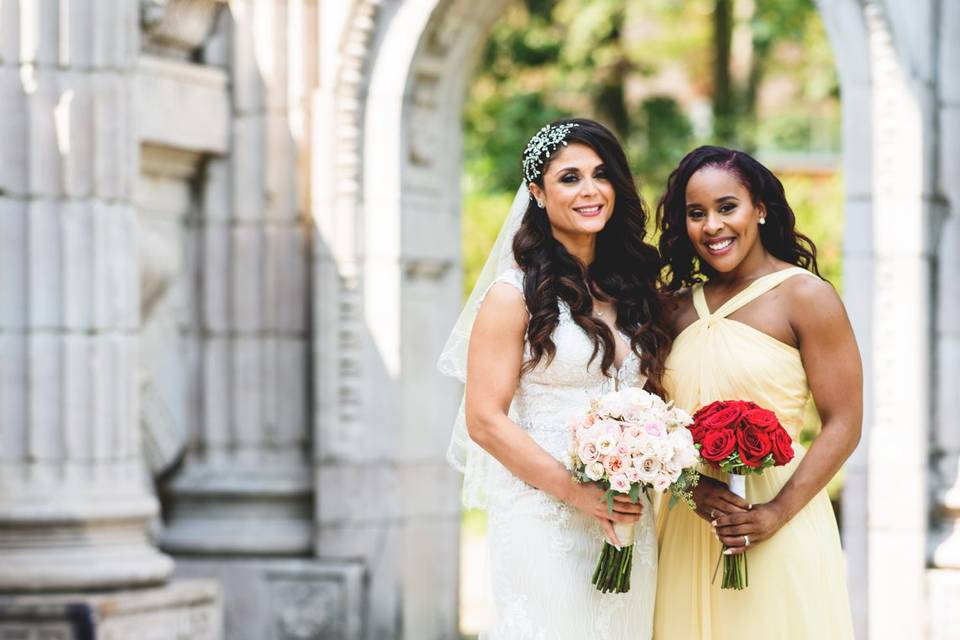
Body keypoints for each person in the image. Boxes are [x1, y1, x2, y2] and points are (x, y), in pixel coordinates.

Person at [438, 118, 671, 638]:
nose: (590, 190)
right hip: (544, 517)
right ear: (538, 193)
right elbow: (484, 420)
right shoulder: (513, 294)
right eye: (570, 178)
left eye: (601, 174)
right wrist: (578, 494)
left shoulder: (632, 288)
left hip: (629, 514)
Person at [653, 146, 858, 639]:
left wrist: (774, 515)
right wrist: (689, 487)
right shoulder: (673, 309)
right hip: (689, 522)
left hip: (777, 519)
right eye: (696, 213)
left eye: (728, 207)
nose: (713, 226)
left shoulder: (806, 297)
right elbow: (656, 422)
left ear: (760, 208)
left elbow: (844, 421)